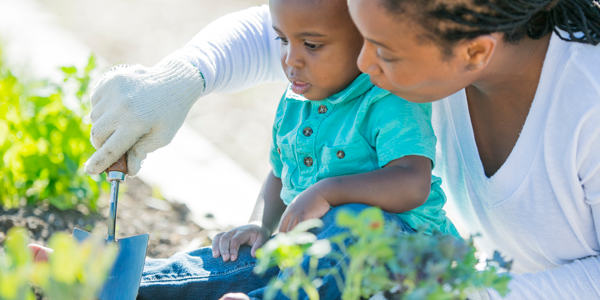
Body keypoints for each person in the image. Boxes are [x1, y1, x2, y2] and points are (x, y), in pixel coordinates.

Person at [72, 0, 600, 299]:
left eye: (383, 51)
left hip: (459, 284)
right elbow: (309, 24)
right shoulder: (432, 34)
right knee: (256, 258)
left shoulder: (588, 106)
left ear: (476, 52)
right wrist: (186, 75)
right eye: (363, 38)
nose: (363, 66)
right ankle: (108, 282)